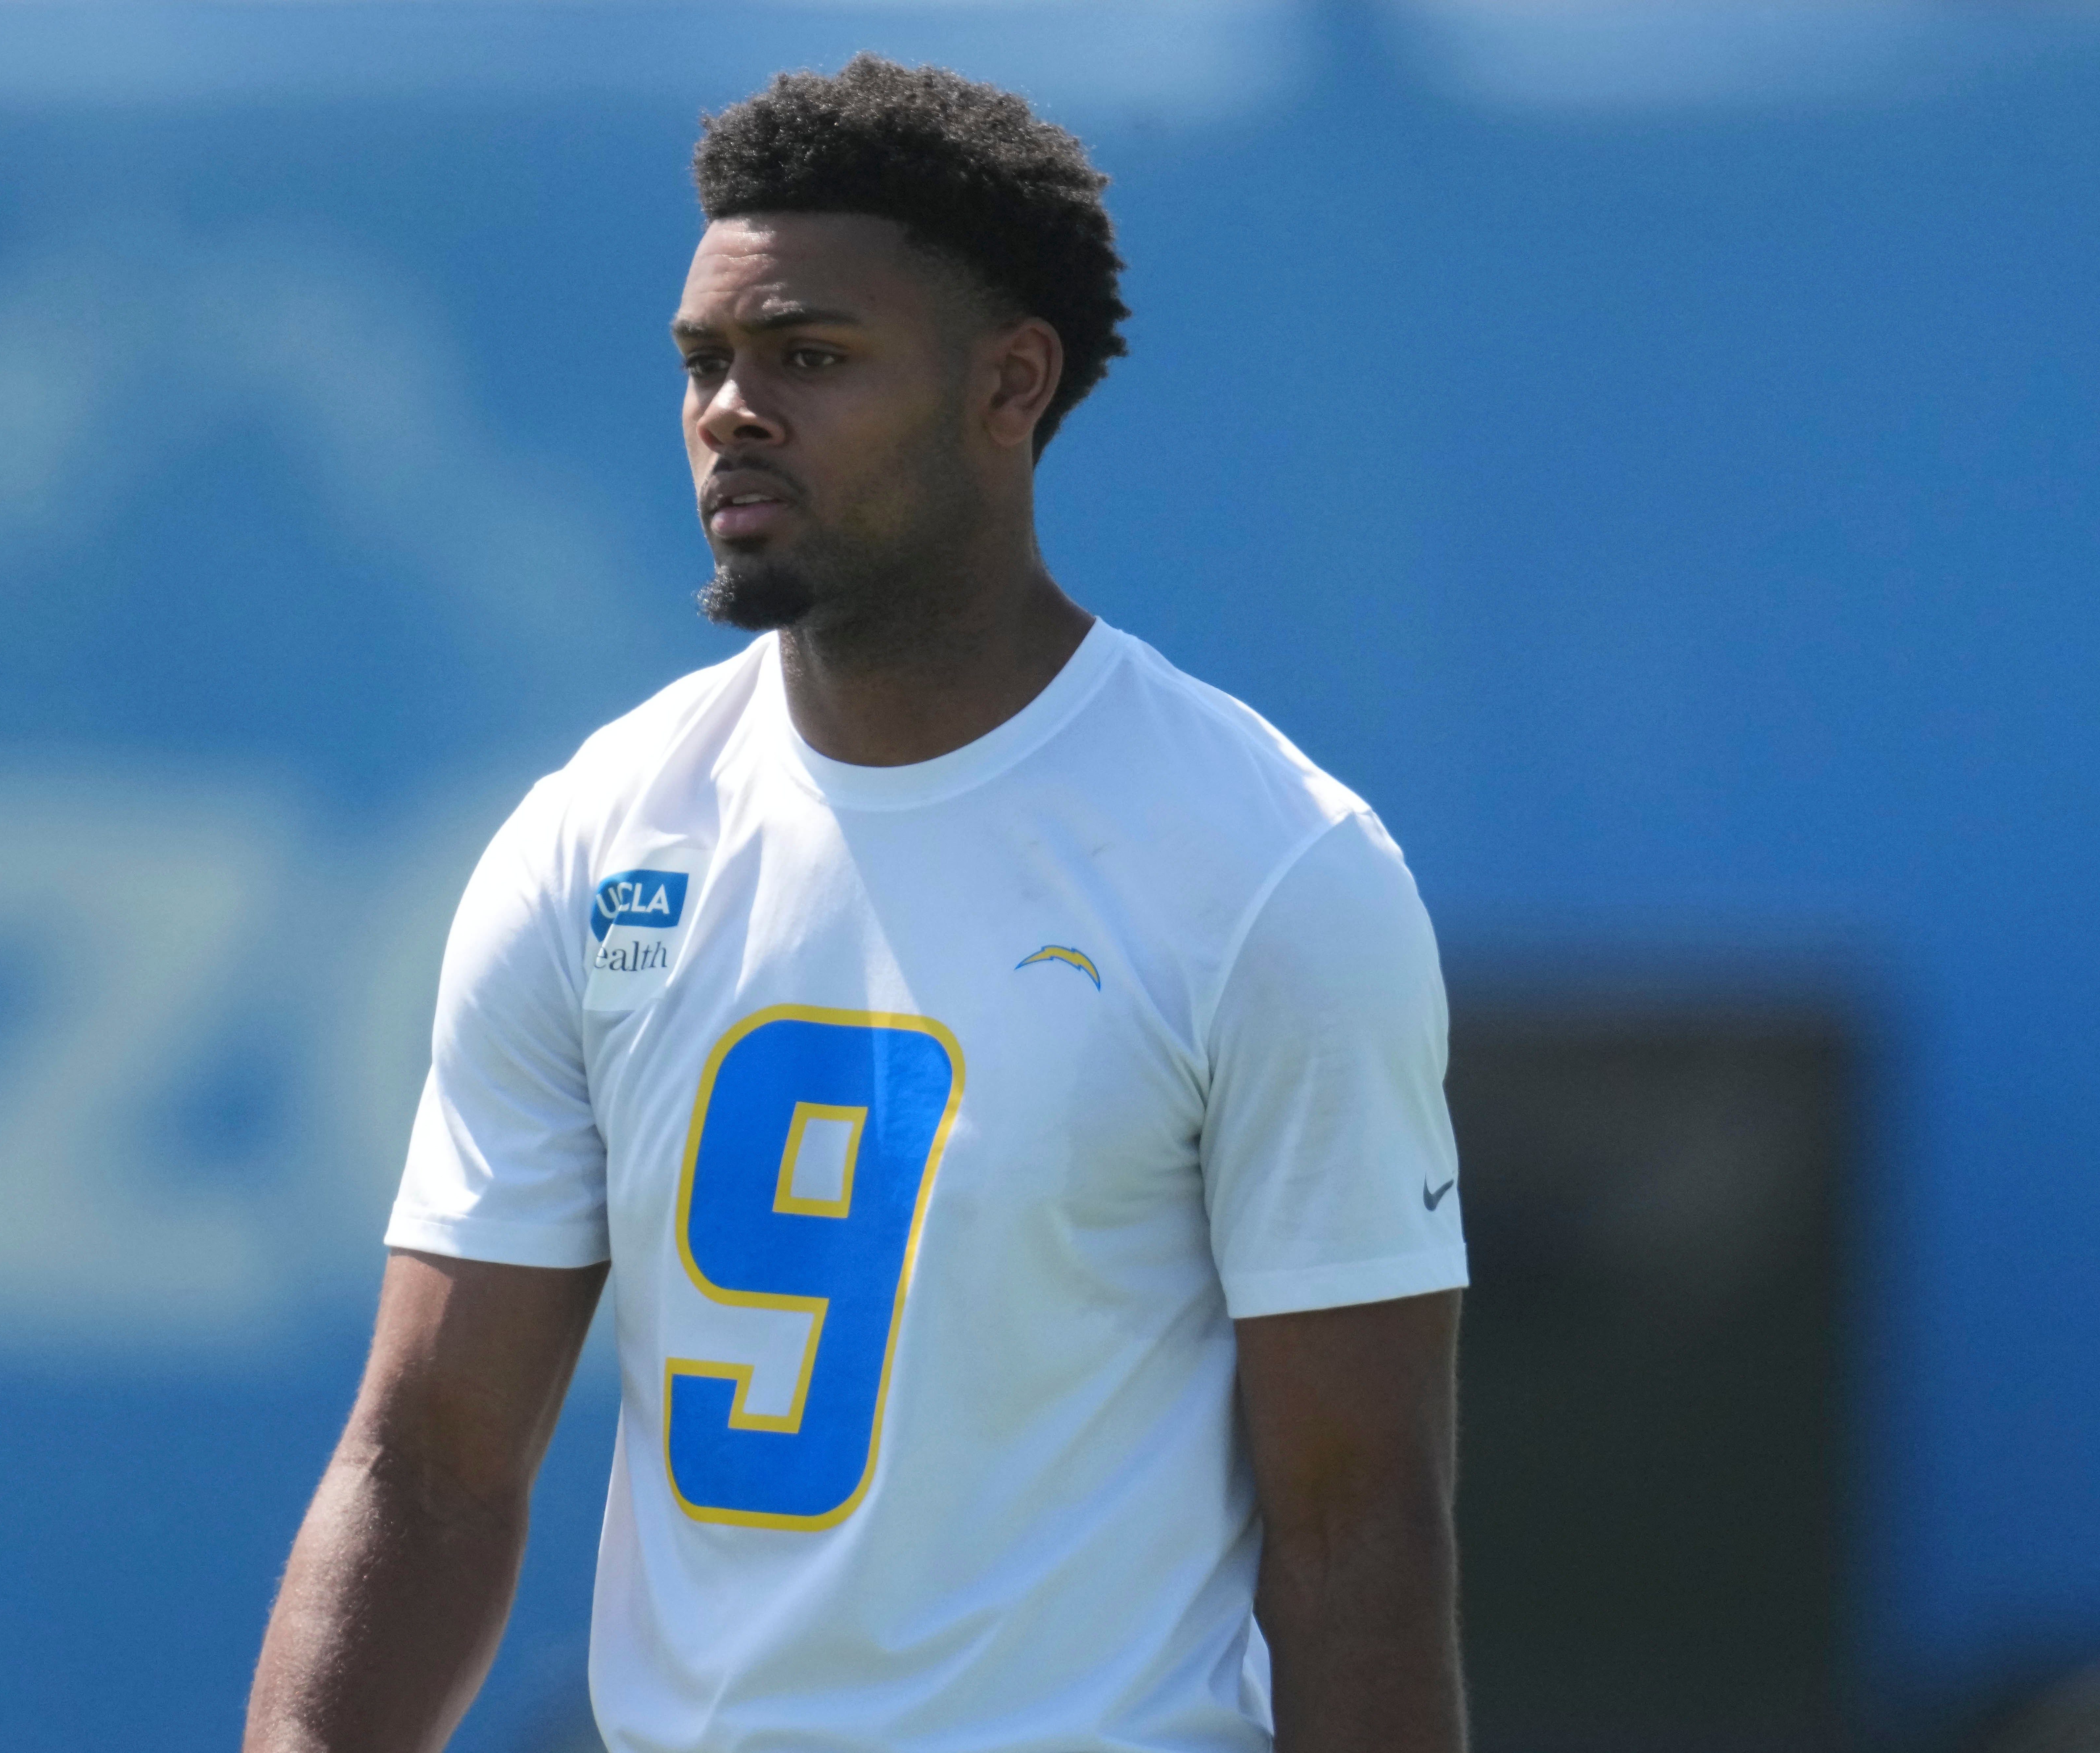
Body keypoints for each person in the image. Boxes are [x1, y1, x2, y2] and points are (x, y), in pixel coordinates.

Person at [246, 54, 1468, 1753]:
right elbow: (430, 1458)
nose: (731, 411)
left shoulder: (1264, 866)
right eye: (704, 364)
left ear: (1009, 386)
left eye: (809, 357)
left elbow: (1353, 1528)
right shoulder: (595, 837)